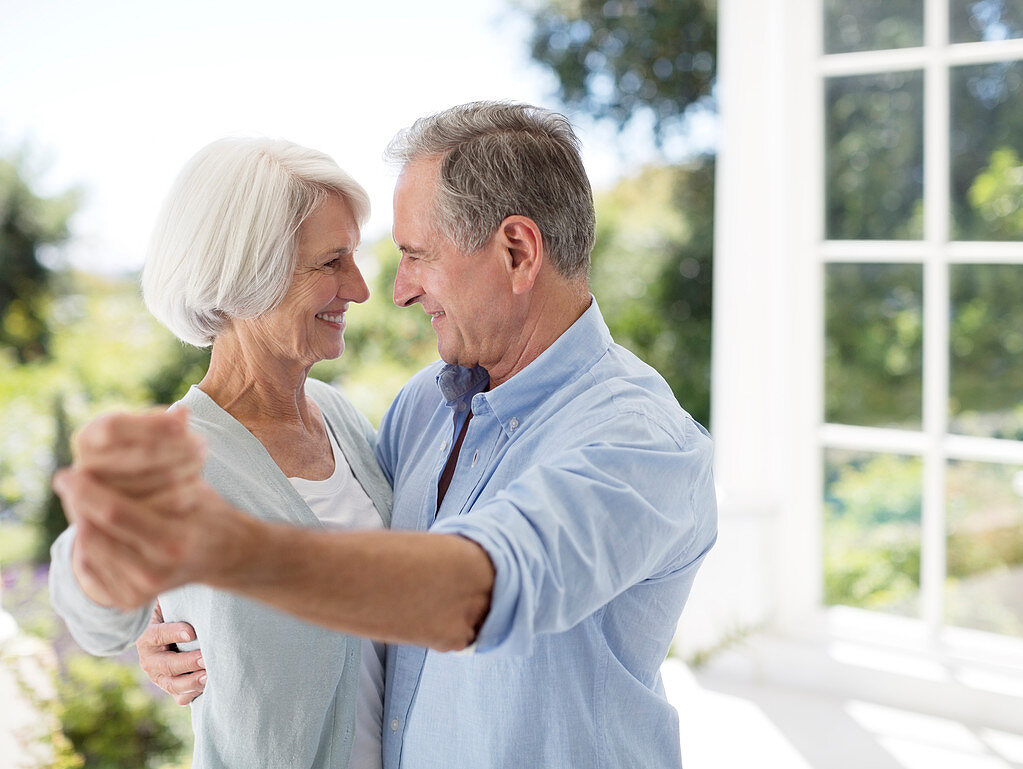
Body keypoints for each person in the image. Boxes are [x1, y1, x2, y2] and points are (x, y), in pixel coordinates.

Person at [53, 101, 719, 768]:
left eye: (415, 256)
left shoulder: (640, 441)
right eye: (334, 260)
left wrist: (235, 555)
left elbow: (476, 591)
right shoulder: (426, 406)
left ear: (517, 252)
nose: (387, 290)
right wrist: (156, 626)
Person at [49, 138, 394, 769]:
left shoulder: (342, 418)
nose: (361, 288)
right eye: (331, 263)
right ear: (247, 274)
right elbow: (95, 616)